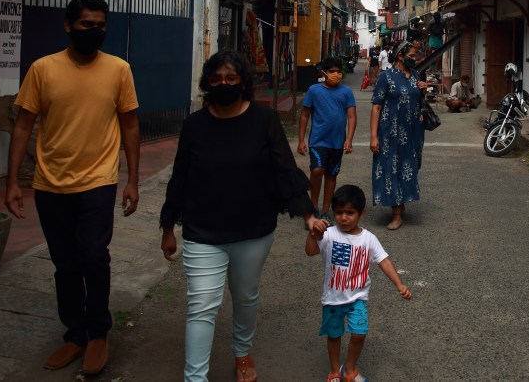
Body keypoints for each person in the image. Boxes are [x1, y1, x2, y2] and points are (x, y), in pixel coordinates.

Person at [160, 50, 328, 382]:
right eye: (216, 79)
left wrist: (308, 215)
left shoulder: (263, 120)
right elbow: (180, 177)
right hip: (202, 231)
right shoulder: (194, 125)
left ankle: (242, 353)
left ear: (243, 82)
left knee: (246, 295)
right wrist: (167, 227)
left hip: (253, 231)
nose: (224, 84)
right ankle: (195, 377)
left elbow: (284, 168)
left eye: (231, 78)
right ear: (208, 83)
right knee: (202, 306)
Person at [4, 0, 140, 375]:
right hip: (50, 183)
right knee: (64, 262)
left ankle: (99, 332)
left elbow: (130, 124)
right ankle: (75, 334)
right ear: (68, 26)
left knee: (94, 255)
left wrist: (132, 180)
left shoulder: (119, 69)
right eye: (86, 25)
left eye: (100, 25)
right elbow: (23, 126)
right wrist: (14, 181)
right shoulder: (43, 70)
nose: (95, 31)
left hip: (98, 181)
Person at [306, 185, 411, 382]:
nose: (344, 218)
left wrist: (400, 284)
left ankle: (350, 368)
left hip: (357, 299)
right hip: (333, 299)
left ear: (361, 214)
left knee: (359, 334)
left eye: (350, 213)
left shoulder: (368, 239)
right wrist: (313, 234)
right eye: (338, 213)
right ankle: (335, 371)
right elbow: (310, 251)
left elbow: (384, 261)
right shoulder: (328, 234)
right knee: (334, 335)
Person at [370, 41, 427, 230]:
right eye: (411, 55)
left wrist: (423, 91)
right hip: (391, 132)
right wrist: (373, 136)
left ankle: (401, 200)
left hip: (413, 132)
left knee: (411, 166)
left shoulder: (415, 75)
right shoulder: (386, 77)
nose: (415, 58)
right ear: (400, 56)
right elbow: (376, 107)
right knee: (391, 168)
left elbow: (418, 100)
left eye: (416, 55)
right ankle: (396, 214)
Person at [299, 57, 358, 219]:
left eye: (339, 72)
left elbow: (352, 117)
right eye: (332, 72)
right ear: (324, 73)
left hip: (337, 142)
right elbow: (304, 115)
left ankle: (325, 211)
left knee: (331, 175)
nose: (336, 75)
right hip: (318, 141)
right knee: (317, 170)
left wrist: (349, 139)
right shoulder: (314, 90)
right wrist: (301, 140)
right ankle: (312, 208)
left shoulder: (346, 92)